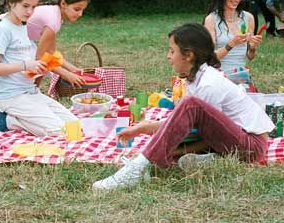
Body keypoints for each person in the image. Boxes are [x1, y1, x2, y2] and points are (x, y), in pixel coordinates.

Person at [92, 23, 274, 191]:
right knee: (182, 123)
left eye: (172, 51)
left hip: (251, 146)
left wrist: (161, 147)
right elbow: (184, 124)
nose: (168, 56)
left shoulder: (208, 83)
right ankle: (201, 160)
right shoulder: (196, 78)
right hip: (234, 140)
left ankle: (138, 167)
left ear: (188, 55)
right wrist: (144, 129)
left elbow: (201, 131)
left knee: (188, 107)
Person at [0, 0, 78, 136]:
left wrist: (68, 70)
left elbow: (48, 54)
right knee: (61, 133)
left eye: (33, 7)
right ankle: (9, 121)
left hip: (31, 92)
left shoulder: (25, 25)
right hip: (12, 96)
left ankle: (13, 121)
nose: (30, 12)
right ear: (11, 2)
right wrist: (26, 65)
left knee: (74, 126)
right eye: (25, 6)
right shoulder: (3, 29)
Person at [27, 0, 90, 87]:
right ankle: (30, 92)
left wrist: (72, 69)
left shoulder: (56, 16)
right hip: (8, 40)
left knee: (40, 63)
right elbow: (41, 58)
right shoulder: (53, 20)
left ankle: (33, 92)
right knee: (37, 62)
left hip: (19, 40)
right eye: (77, 9)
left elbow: (51, 52)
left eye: (82, 10)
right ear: (63, 4)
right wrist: (67, 75)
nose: (80, 14)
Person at [204, 0, 262, 73]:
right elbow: (210, 58)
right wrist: (231, 44)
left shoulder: (248, 18)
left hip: (240, 76)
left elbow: (250, 56)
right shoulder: (211, 20)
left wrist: (252, 48)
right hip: (218, 77)